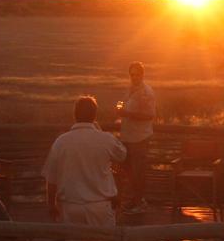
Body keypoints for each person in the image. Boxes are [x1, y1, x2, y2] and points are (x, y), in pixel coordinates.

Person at [42, 96, 128, 227]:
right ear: (94, 116)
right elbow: (122, 155)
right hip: (101, 207)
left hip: (70, 207)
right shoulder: (105, 139)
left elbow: (51, 179)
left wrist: (51, 205)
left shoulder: (61, 142)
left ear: (74, 115)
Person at [118, 61, 156, 214]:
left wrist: (127, 114)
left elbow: (150, 115)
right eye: (132, 74)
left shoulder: (147, 92)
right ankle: (135, 199)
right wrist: (120, 109)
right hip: (127, 136)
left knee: (138, 171)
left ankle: (139, 203)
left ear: (142, 74)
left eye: (137, 74)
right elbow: (124, 106)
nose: (134, 77)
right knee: (128, 170)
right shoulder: (129, 89)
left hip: (140, 137)